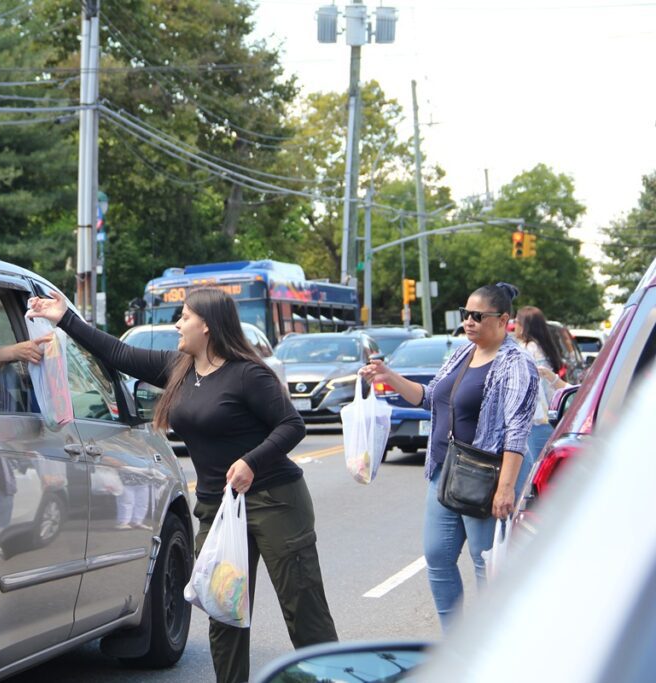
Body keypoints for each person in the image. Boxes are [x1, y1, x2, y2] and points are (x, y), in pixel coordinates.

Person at [28, 287, 337, 683]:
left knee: (303, 610)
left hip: (274, 502)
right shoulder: (179, 368)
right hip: (217, 510)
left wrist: (250, 461)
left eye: (185, 317)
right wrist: (64, 318)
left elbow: (293, 425)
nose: (178, 323)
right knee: (224, 611)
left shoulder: (248, 374)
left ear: (207, 325)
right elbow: (118, 354)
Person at [359, 282, 538, 628]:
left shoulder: (517, 364)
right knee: (438, 556)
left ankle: (492, 641)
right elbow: (430, 399)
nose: (468, 322)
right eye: (464, 314)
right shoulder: (462, 353)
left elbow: (517, 430)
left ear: (503, 320)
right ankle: (454, 645)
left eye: (476, 316)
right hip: (446, 470)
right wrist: (388, 375)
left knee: (485, 561)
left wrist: (506, 488)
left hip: (487, 475)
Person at [513, 306, 565, 457]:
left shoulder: (527, 348)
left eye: (517, 322)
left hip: (535, 419)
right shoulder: (544, 347)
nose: (514, 326)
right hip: (551, 414)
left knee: (534, 466)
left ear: (524, 327)